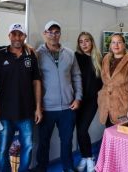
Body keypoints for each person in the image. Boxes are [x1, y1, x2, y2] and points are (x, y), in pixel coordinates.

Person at [0, 23, 42, 172]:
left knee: (28, 147)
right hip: (5, 113)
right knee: (2, 149)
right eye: (14, 34)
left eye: (20, 34)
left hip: (27, 112)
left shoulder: (31, 56)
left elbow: (37, 81)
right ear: (9, 36)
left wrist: (38, 108)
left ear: (25, 36)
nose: (17, 37)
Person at [35, 20, 82, 172]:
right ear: (45, 34)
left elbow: (76, 76)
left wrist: (78, 97)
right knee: (43, 142)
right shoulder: (37, 54)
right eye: (50, 32)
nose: (53, 35)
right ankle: (41, 168)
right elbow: (34, 81)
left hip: (68, 107)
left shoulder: (69, 53)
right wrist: (36, 106)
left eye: (56, 32)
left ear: (60, 34)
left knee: (67, 142)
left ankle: (68, 168)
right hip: (46, 108)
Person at [98, 33, 128, 128]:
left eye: (119, 42)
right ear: (110, 45)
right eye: (113, 42)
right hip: (107, 106)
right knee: (110, 132)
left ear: (124, 44)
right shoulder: (106, 59)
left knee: (123, 136)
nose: (116, 45)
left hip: (124, 106)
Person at [74, 32, 103, 172]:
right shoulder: (76, 57)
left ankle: (89, 157)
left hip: (92, 101)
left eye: (87, 41)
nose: (84, 44)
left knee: (82, 129)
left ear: (92, 42)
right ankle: (85, 158)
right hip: (77, 100)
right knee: (79, 131)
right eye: (81, 41)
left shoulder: (99, 59)